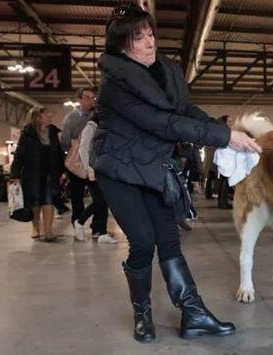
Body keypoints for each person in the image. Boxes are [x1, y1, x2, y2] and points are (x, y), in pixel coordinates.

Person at [91, 3, 261, 343]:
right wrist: (225, 137)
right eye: (140, 38)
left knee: (169, 239)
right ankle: (142, 313)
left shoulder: (166, 72)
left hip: (153, 166)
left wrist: (221, 130)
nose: (150, 42)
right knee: (143, 242)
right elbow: (163, 123)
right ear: (123, 46)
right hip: (120, 169)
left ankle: (193, 314)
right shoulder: (115, 85)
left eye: (151, 34)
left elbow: (183, 110)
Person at [10, 106, 64, 241]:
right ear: (38, 117)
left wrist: (63, 171)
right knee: (35, 201)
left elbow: (59, 154)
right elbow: (19, 156)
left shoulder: (53, 132)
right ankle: (35, 228)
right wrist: (15, 175)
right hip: (32, 174)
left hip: (50, 173)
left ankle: (48, 231)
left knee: (49, 200)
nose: (50, 116)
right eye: (47, 114)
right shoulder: (27, 133)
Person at [74, 112, 117, 243]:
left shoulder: (100, 128)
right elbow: (83, 148)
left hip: (101, 169)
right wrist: (89, 169)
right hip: (92, 170)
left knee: (103, 202)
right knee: (100, 201)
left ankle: (101, 232)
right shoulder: (90, 127)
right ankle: (80, 222)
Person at [61, 88, 97, 233]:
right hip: (76, 163)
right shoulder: (70, 118)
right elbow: (64, 141)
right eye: (88, 97)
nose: (91, 100)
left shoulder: (96, 116)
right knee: (77, 195)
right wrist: (78, 145)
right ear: (79, 99)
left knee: (99, 197)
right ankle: (77, 223)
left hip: (93, 161)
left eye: (93, 98)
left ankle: (97, 227)